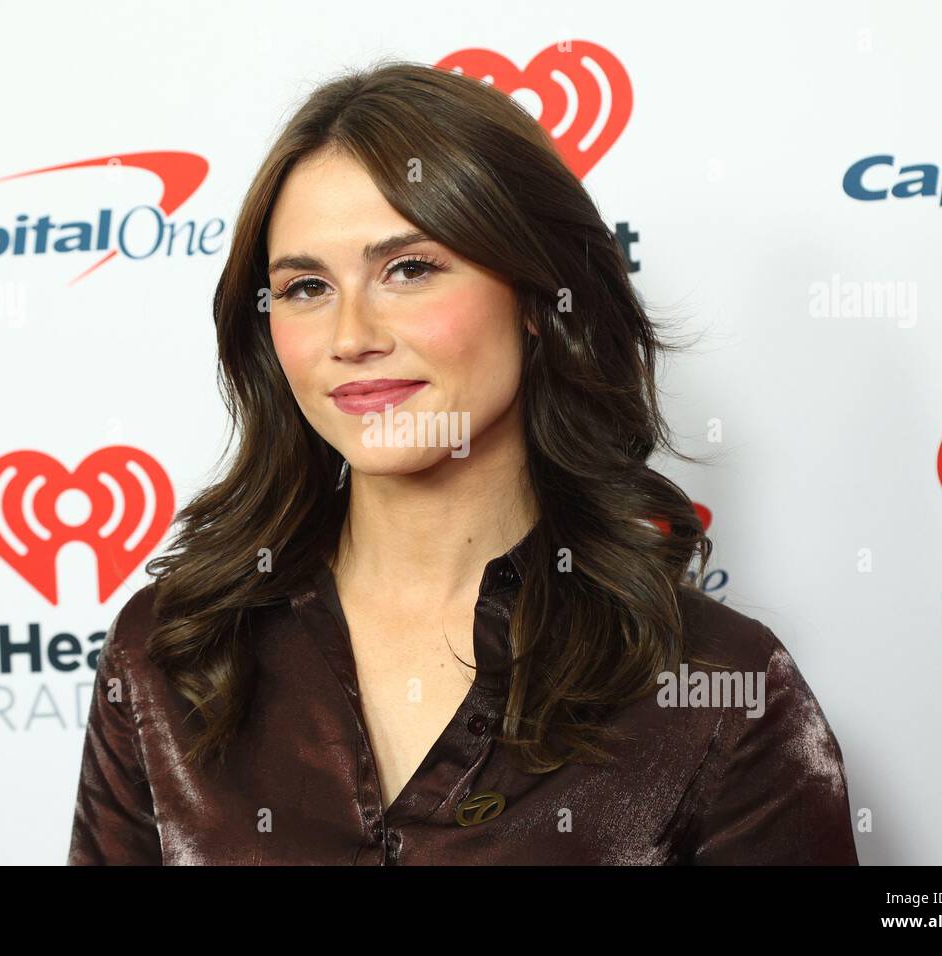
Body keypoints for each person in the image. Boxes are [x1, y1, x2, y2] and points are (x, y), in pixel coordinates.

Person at [67, 59, 859, 865]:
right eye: (305, 286)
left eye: (408, 269)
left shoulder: (717, 688)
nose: (350, 336)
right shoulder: (176, 650)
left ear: (540, 302)